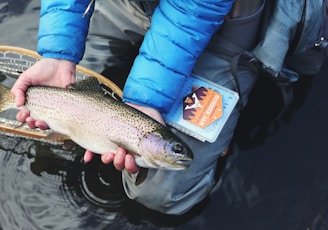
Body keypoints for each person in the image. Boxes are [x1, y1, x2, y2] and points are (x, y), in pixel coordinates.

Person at [11, 0, 264, 215]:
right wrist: (58, 53)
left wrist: (147, 101)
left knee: (163, 193)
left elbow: (191, 13)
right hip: (132, 5)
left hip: (215, 22)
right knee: (69, 82)